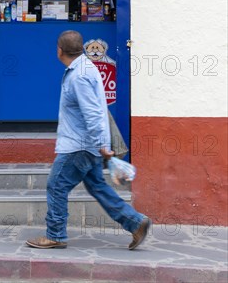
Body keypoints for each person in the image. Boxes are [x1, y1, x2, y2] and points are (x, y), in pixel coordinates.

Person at [26, 30, 150, 250]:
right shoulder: (84, 67)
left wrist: (101, 145)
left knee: (56, 186)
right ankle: (135, 222)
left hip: (79, 145)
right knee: (98, 187)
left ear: (59, 50)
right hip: (89, 144)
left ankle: (55, 234)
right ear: (81, 48)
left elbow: (92, 113)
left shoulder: (79, 76)